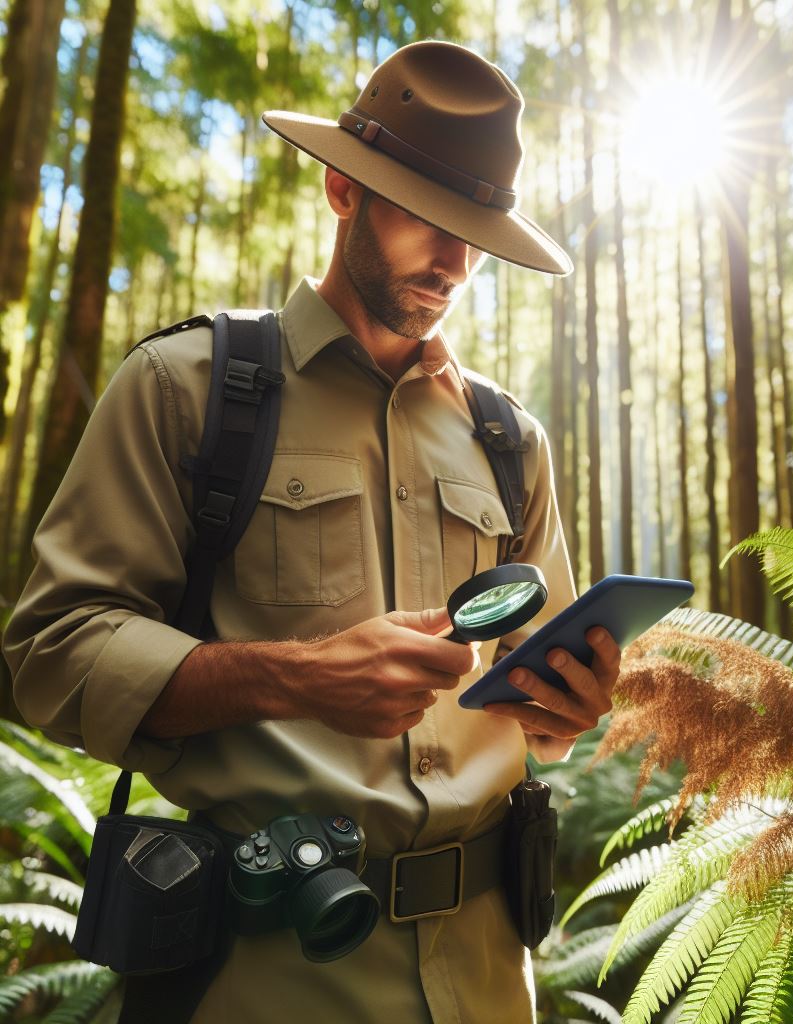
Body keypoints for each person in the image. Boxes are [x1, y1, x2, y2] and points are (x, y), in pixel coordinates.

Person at [3, 39, 621, 1023]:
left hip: (493, 979)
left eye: (477, 233)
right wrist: (296, 676)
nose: (457, 263)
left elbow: (533, 702)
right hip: (263, 971)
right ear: (342, 189)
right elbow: (50, 653)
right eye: (432, 219)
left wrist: (566, 707)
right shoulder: (186, 389)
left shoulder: (510, 441)